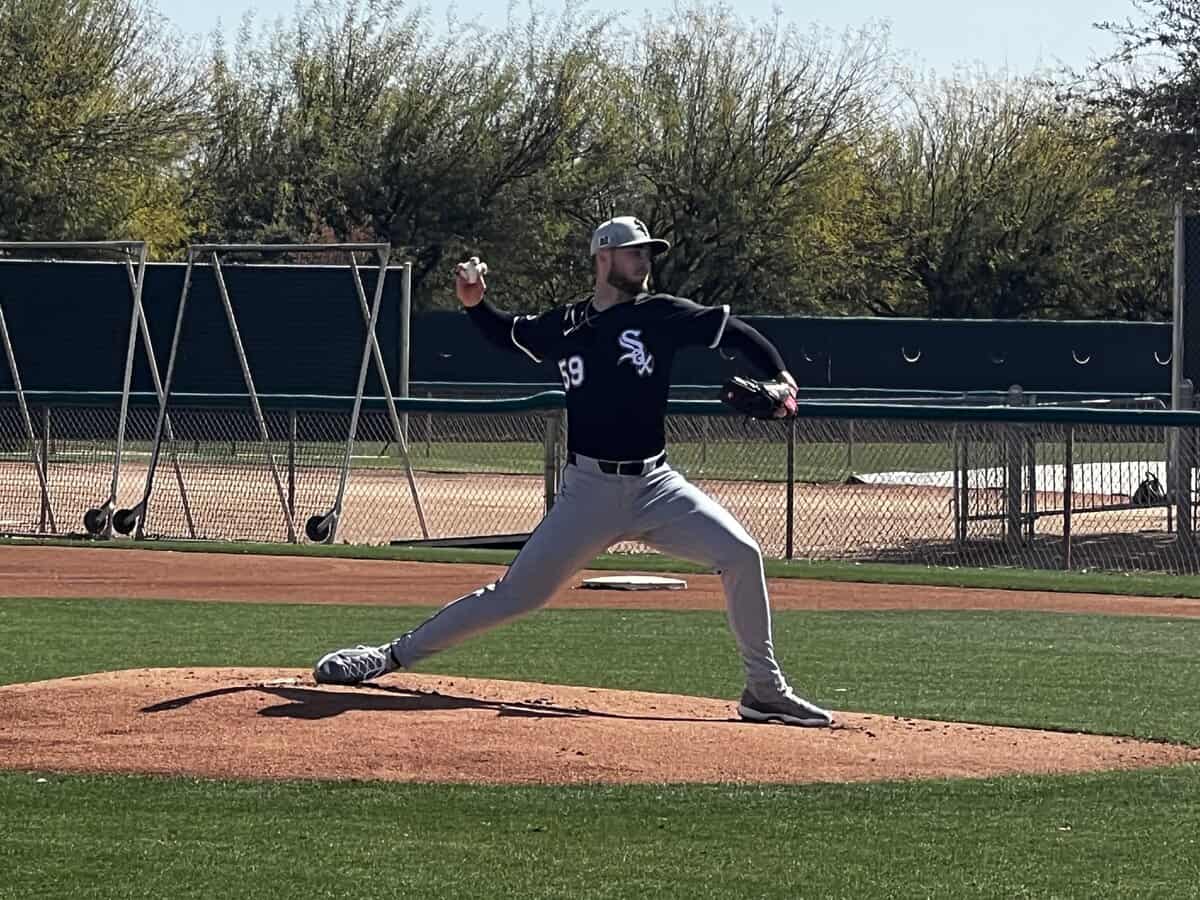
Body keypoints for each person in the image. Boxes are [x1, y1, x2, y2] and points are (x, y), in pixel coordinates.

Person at [313, 216, 833, 727]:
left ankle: (764, 690)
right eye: (635, 251)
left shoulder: (661, 314)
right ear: (604, 257)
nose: (645, 261)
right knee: (517, 596)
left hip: (657, 485)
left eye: (649, 253)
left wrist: (782, 378)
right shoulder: (566, 324)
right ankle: (389, 656)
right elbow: (507, 335)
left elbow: (737, 333)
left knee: (741, 554)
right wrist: (475, 303)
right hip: (590, 492)